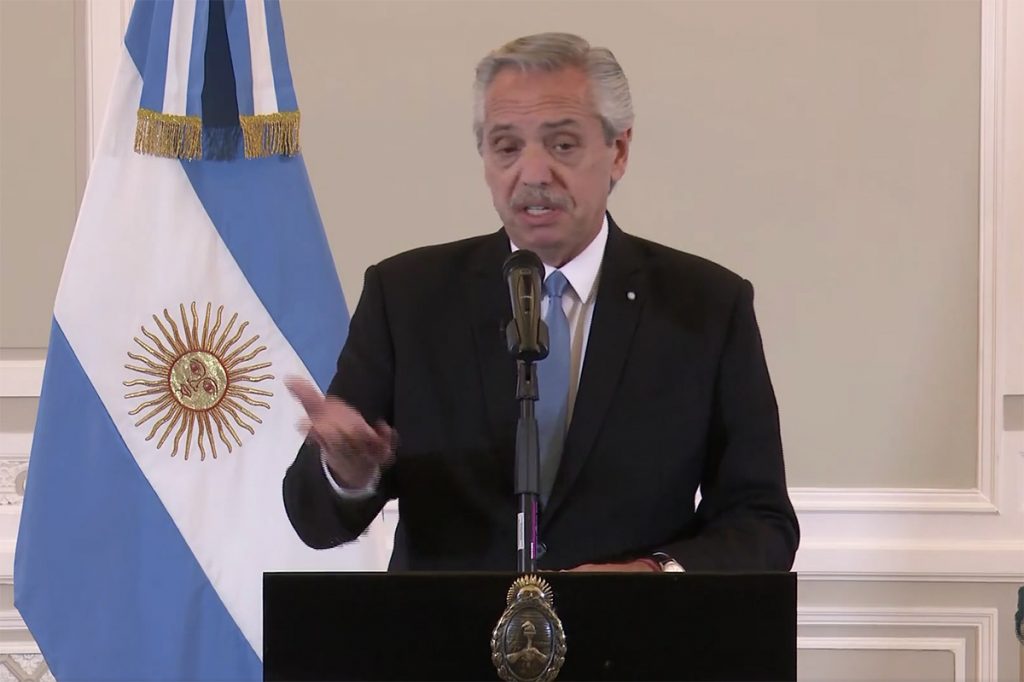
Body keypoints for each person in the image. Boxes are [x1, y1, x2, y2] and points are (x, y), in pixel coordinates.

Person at [283, 32, 799, 572]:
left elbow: (761, 522)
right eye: (507, 147)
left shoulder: (706, 306)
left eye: (563, 145)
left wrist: (655, 576)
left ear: (619, 151)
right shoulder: (407, 297)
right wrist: (348, 473)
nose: (532, 174)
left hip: (629, 627)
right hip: (449, 625)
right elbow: (313, 519)